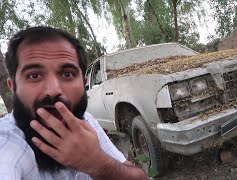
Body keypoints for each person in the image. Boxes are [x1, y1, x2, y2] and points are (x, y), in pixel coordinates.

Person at [0, 26, 147, 180]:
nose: (53, 90)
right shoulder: (7, 141)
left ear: (83, 84)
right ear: (13, 87)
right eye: (34, 75)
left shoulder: (85, 121)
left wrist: (98, 163)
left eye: (67, 74)